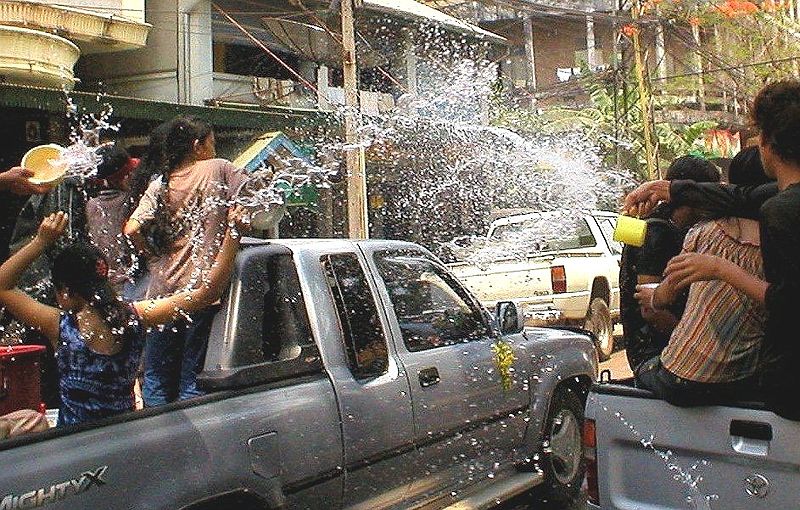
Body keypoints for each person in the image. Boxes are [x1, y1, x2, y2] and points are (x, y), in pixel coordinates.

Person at [623, 80, 799, 419]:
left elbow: (789, 303)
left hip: (787, 388)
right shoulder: (775, 201)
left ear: (767, 141)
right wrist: (667, 188)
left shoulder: (780, 212)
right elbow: (739, 197)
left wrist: (720, 270)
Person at [0, 208, 247, 426]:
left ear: (65, 291)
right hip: (123, 435)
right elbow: (205, 293)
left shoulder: (60, 326)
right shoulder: (134, 318)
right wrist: (233, 234)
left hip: (73, 443)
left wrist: (40, 242)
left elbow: (3, 286)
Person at [632, 148, 773, 405]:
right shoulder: (781, 242)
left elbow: (656, 304)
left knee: (644, 366)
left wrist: (654, 297)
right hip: (744, 380)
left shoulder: (704, 234)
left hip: (682, 378)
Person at [124, 116, 246, 406]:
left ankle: (157, 438)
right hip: (199, 290)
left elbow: (131, 229)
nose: (214, 150)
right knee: (192, 376)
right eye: (212, 143)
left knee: (156, 376)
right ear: (197, 145)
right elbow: (252, 202)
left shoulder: (160, 183)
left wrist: (153, 258)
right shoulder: (219, 168)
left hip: (162, 291)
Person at [620, 156, 720, 374]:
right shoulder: (658, 232)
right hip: (654, 354)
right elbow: (651, 309)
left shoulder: (674, 228)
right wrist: (694, 346)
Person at [85, 144, 140, 296]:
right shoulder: (130, 202)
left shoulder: (91, 205)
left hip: (103, 282)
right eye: (130, 173)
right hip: (128, 282)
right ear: (122, 179)